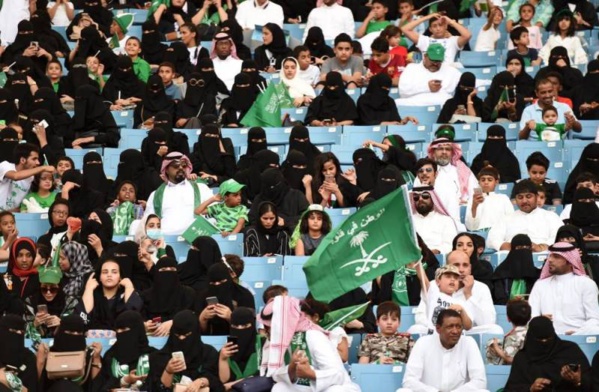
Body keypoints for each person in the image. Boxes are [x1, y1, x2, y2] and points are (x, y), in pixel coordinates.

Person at [259, 295, 361, 391]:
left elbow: (338, 375)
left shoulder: (314, 336)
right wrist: (291, 368)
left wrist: (311, 374)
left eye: (269, 326)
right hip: (305, 387)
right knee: (280, 388)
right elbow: (276, 374)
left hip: (333, 386)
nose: (266, 331)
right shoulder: (277, 342)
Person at [399, 309, 487, 392]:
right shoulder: (422, 343)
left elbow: (480, 381)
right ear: (438, 328)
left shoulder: (469, 343)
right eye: (450, 327)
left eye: (459, 327)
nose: (455, 331)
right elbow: (409, 381)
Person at [529, 242, 599, 335]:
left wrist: (578, 333)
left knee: (595, 330)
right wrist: (539, 321)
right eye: (550, 256)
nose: (549, 260)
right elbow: (531, 315)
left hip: (578, 337)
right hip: (546, 337)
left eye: (556, 257)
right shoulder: (540, 284)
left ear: (570, 261)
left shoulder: (586, 284)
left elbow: (594, 318)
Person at [505, 315, 592, 391]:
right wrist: (530, 389)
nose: (544, 342)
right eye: (539, 339)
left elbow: (593, 385)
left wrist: (578, 381)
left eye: (548, 338)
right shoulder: (522, 358)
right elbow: (511, 388)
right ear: (531, 338)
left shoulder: (570, 351)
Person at [148, 310, 224, 391]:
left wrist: (202, 381)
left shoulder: (208, 353)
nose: (181, 338)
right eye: (177, 335)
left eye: (187, 335)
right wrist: (168, 371)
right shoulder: (159, 357)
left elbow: (218, 383)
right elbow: (155, 389)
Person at [144, 152, 213, 235]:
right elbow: (148, 221)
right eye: (176, 166)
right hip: (165, 240)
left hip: (196, 239)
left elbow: (216, 211)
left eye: (184, 166)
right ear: (166, 169)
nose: (180, 168)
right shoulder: (155, 195)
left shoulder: (201, 188)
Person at [488, 180, 563, 251]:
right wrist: (513, 247)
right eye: (520, 197)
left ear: (536, 197)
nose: (524, 201)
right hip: (513, 255)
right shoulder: (506, 218)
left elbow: (560, 237)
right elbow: (492, 239)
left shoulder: (551, 217)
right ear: (515, 199)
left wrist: (541, 247)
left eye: (528, 196)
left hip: (543, 255)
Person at [37, 313, 103, 391]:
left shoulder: (89, 355)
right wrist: (40, 360)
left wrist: (96, 358)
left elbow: (96, 385)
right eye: (70, 332)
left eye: (79, 333)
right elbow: (37, 384)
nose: (75, 335)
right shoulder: (49, 353)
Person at [99, 311, 156, 390]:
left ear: (137, 330)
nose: (120, 334)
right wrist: (124, 381)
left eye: (124, 329)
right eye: (117, 330)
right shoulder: (110, 357)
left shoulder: (154, 356)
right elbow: (101, 387)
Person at [197, 262, 255, 335]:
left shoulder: (244, 295)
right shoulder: (202, 296)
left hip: (235, 341)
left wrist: (232, 318)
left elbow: (249, 330)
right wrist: (203, 319)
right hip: (209, 342)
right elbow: (197, 336)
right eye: (213, 283)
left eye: (221, 282)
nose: (217, 285)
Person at [396, 44, 462, 106]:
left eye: (438, 61)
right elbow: (403, 91)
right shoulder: (411, 68)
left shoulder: (452, 71)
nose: (435, 64)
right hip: (415, 106)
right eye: (433, 60)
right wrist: (427, 87)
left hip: (442, 108)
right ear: (425, 56)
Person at [0, 143, 55, 212]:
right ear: (22, 160)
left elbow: (25, 202)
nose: (38, 162)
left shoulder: (32, 178)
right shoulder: (5, 165)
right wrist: (43, 168)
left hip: (12, 217)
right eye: (34, 159)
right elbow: (15, 176)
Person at [402, 12, 471, 65]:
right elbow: (405, 29)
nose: (438, 28)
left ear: (446, 27)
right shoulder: (425, 40)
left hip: (447, 74)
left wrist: (451, 22)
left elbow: (467, 35)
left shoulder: (452, 41)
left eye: (440, 25)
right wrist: (427, 17)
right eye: (434, 26)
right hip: (428, 73)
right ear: (430, 29)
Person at [218, 307, 261, 388]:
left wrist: (233, 384)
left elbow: (264, 376)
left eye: (245, 326)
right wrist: (222, 359)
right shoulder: (227, 348)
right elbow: (224, 380)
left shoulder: (262, 343)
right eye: (235, 326)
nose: (240, 329)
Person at [492, 234, 540, 304]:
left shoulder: (536, 274)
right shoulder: (501, 273)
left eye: (527, 248)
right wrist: (513, 302)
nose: (524, 251)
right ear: (512, 249)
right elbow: (498, 299)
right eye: (519, 247)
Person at [465, 165, 515, 231]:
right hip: (479, 235)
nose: (486, 182)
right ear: (479, 182)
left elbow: (511, 221)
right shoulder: (473, 199)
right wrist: (474, 206)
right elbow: (471, 227)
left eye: (490, 180)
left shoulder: (503, 198)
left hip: (499, 234)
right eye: (483, 180)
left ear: (496, 182)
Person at [410, 186, 457, 255]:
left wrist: (437, 251)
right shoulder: (409, 221)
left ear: (433, 198)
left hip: (437, 258)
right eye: (416, 197)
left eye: (425, 196)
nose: (420, 199)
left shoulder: (446, 220)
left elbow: (450, 244)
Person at [485, 298, 531, 365]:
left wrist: (496, 348)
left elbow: (510, 359)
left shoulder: (512, 337)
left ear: (508, 318)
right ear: (529, 317)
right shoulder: (531, 332)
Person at [0, 315, 38, 392]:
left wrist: (9, 380)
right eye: (14, 331)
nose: (19, 333)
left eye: (21, 332)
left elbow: (30, 389)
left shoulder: (28, 357)